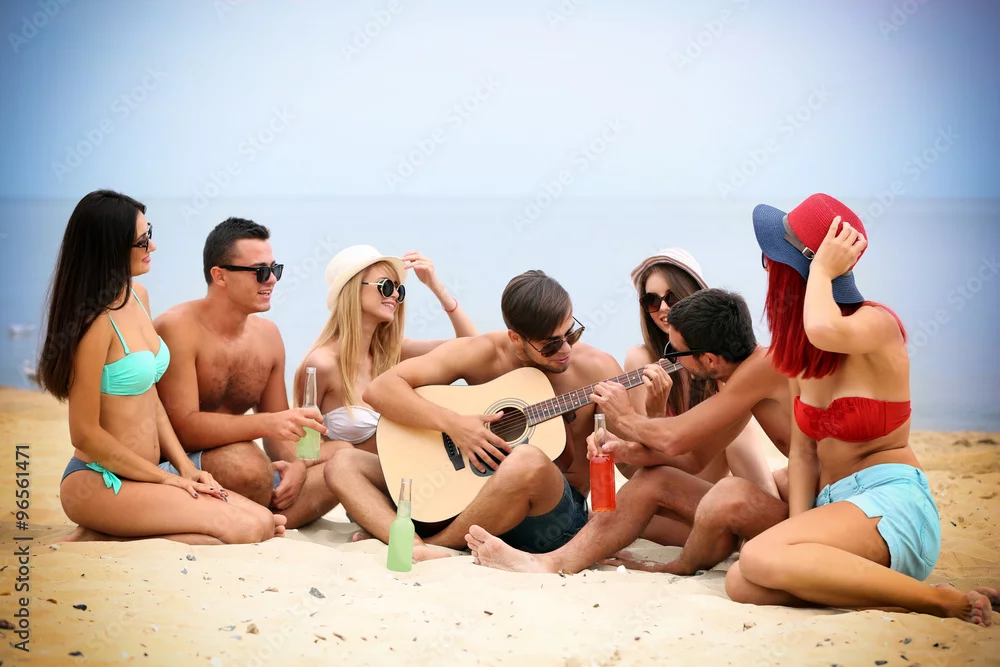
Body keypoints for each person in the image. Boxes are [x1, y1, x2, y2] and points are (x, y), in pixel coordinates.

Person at [725, 193, 994, 627]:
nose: (767, 268)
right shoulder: (802, 358)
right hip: (837, 511)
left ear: (803, 270)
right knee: (743, 582)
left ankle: (945, 603)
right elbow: (803, 454)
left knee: (757, 556)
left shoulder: (877, 325)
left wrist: (821, 270)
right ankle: (911, 598)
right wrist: (796, 535)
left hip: (892, 503)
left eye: (771, 259)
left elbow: (823, 327)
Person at [466, 288, 793, 575]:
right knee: (654, 480)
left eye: (675, 353)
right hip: (795, 508)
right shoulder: (739, 381)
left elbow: (674, 438)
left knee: (732, 490)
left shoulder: (761, 368)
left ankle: (679, 565)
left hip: (812, 516)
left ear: (708, 359)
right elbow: (692, 458)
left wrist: (623, 417)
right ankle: (552, 562)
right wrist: (625, 450)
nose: (671, 361)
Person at [324, 270, 624, 561]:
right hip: (464, 501)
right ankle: (414, 543)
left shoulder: (598, 369)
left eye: (571, 332)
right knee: (343, 463)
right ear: (515, 338)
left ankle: (435, 545)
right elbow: (380, 390)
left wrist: (632, 420)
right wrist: (455, 425)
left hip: (549, 519)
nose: (565, 348)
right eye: (551, 344)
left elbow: (632, 468)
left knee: (527, 460)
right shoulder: (484, 352)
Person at [38, 190, 282, 544]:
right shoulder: (95, 323)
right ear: (111, 247)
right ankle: (107, 533)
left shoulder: (138, 297)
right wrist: (167, 479)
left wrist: (184, 468)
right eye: (142, 240)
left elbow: (150, 398)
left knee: (264, 520)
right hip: (100, 480)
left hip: (147, 475)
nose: (152, 246)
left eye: (149, 233)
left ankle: (108, 531)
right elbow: (85, 434)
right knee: (246, 531)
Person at [154, 217, 338, 530]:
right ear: (220, 276)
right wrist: (267, 424)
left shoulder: (268, 336)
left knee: (343, 459)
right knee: (248, 467)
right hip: (177, 469)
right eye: (260, 271)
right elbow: (183, 428)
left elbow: (279, 436)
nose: (272, 280)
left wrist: (297, 466)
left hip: (239, 470)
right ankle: (255, 515)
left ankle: (259, 517)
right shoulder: (177, 328)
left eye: (275, 269)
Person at [621, 248, 775, 547]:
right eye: (651, 300)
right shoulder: (640, 360)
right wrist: (655, 411)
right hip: (673, 487)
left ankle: (766, 517)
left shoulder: (718, 358)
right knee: (627, 510)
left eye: (672, 297)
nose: (663, 308)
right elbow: (642, 465)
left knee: (738, 430)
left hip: (716, 483)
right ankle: (752, 529)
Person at [293, 245, 477, 467]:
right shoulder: (321, 364)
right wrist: (342, 450)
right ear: (353, 290)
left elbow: (472, 350)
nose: (396, 295)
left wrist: (437, 288)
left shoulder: (395, 353)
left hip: (403, 477)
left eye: (399, 289)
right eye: (386, 286)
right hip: (344, 478)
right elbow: (300, 448)